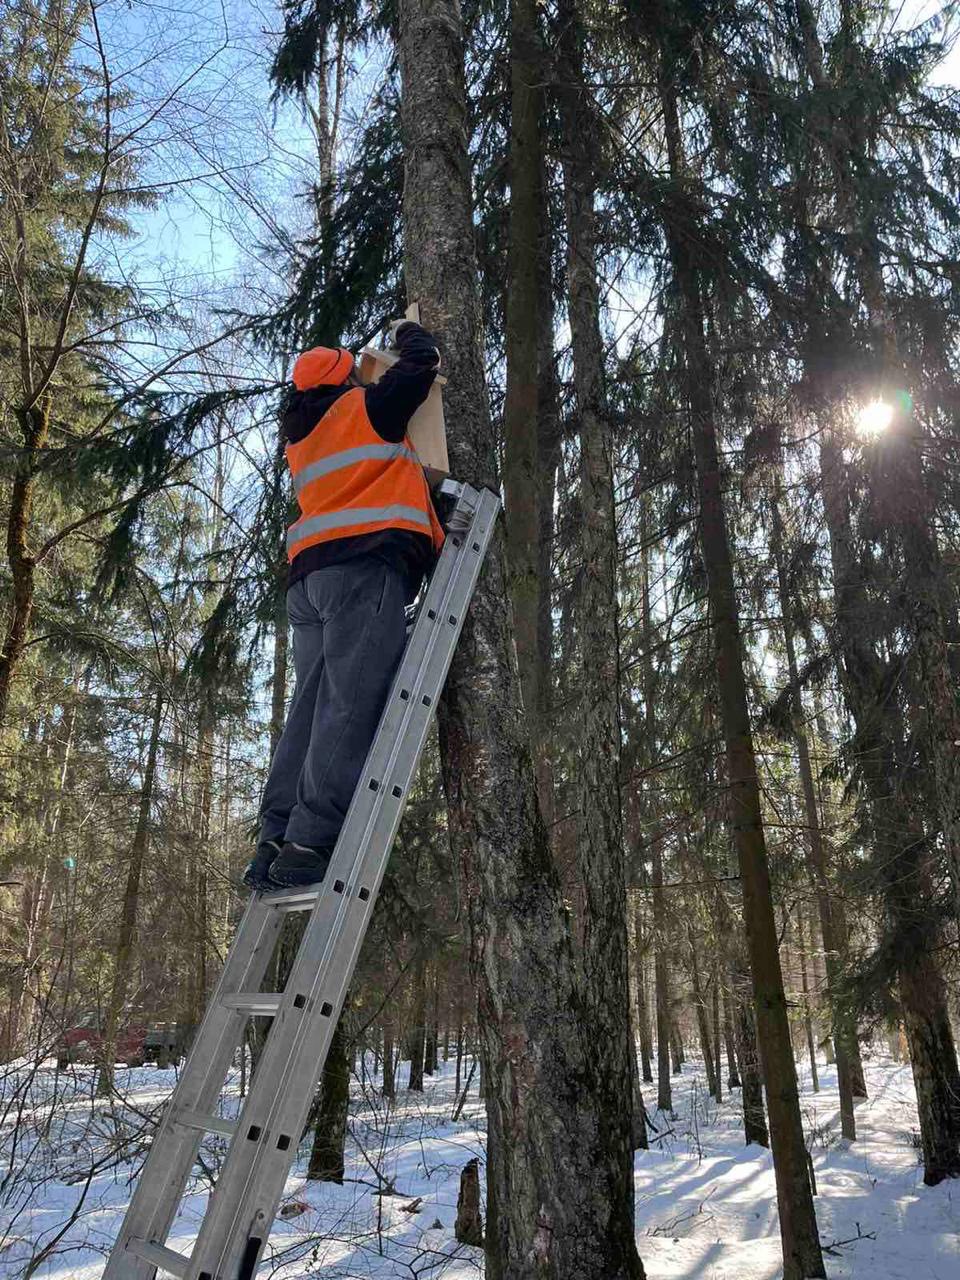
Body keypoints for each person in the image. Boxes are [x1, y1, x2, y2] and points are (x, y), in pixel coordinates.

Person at [244, 319, 445, 891]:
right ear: (344, 380)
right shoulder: (366, 410)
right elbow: (421, 362)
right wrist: (409, 330)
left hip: (309, 582)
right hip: (364, 570)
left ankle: (275, 837)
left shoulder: (301, 437)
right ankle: (310, 843)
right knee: (349, 707)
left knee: (309, 710)